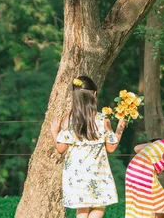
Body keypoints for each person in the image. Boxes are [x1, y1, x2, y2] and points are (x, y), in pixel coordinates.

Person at [51, 76, 126, 218]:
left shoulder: (69, 121)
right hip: (98, 173)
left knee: (82, 210)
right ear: (95, 95)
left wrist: (55, 133)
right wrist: (119, 128)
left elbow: (60, 149)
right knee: (99, 207)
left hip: (76, 175)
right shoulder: (102, 119)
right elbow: (111, 148)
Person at [124, 122, 164, 218]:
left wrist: (152, 157)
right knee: (161, 205)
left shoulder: (161, 142)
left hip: (131, 171)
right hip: (143, 174)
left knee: (139, 204)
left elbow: (137, 148)